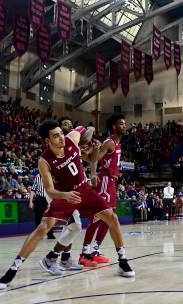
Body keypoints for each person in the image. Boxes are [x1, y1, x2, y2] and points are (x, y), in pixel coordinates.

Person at [0, 120, 134, 290]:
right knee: (43, 228)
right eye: (55, 135)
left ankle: (123, 260)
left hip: (85, 190)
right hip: (64, 195)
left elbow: (88, 129)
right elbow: (50, 191)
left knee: (112, 217)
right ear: (47, 141)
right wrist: (65, 195)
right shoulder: (44, 161)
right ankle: (12, 271)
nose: (61, 138)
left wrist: (90, 143)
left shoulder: (72, 138)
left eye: (61, 133)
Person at [80, 114, 126, 266]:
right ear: (114, 126)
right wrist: (93, 173)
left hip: (111, 181)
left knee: (110, 217)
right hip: (105, 180)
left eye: (124, 124)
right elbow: (94, 159)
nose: (124, 126)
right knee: (98, 217)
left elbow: (90, 157)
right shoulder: (109, 142)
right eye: (121, 123)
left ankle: (94, 250)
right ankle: (85, 253)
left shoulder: (118, 143)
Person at [40, 118, 86, 272]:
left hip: (69, 193)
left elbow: (85, 129)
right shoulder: (48, 157)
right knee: (75, 227)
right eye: (65, 124)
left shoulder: (71, 143)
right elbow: (50, 187)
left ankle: (65, 258)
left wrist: (87, 143)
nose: (69, 126)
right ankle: (50, 258)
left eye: (69, 125)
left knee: (73, 227)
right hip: (58, 194)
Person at [29, 172, 56, 239]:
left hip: (49, 198)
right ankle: (39, 234)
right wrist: (31, 201)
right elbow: (33, 190)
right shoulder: (37, 177)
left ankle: (50, 233)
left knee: (50, 216)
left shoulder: (51, 177)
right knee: (39, 217)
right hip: (39, 199)